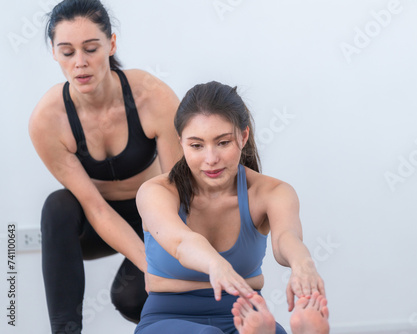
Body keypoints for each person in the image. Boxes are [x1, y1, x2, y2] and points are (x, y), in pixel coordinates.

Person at [28, 0, 182, 332]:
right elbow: (95, 208)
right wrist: (149, 265)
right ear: (54, 53)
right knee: (57, 206)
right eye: (67, 52)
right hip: (95, 225)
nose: (80, 63)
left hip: (153, 216)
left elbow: (180, 191)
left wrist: (163, 265)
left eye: (91, 48)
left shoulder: (151, 96)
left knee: (130, 297)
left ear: (111, 44)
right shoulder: (47, 121)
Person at [134, 81, 330, 334]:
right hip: (166, 319)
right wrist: (216, 264)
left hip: (246, 314)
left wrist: (303, 262)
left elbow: (285, 238)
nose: (211, 158)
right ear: (181, 142)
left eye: (223, 143)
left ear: (243, 136)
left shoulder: (272, 192)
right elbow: (181, 243)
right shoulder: (156, 192)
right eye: (196, 145)